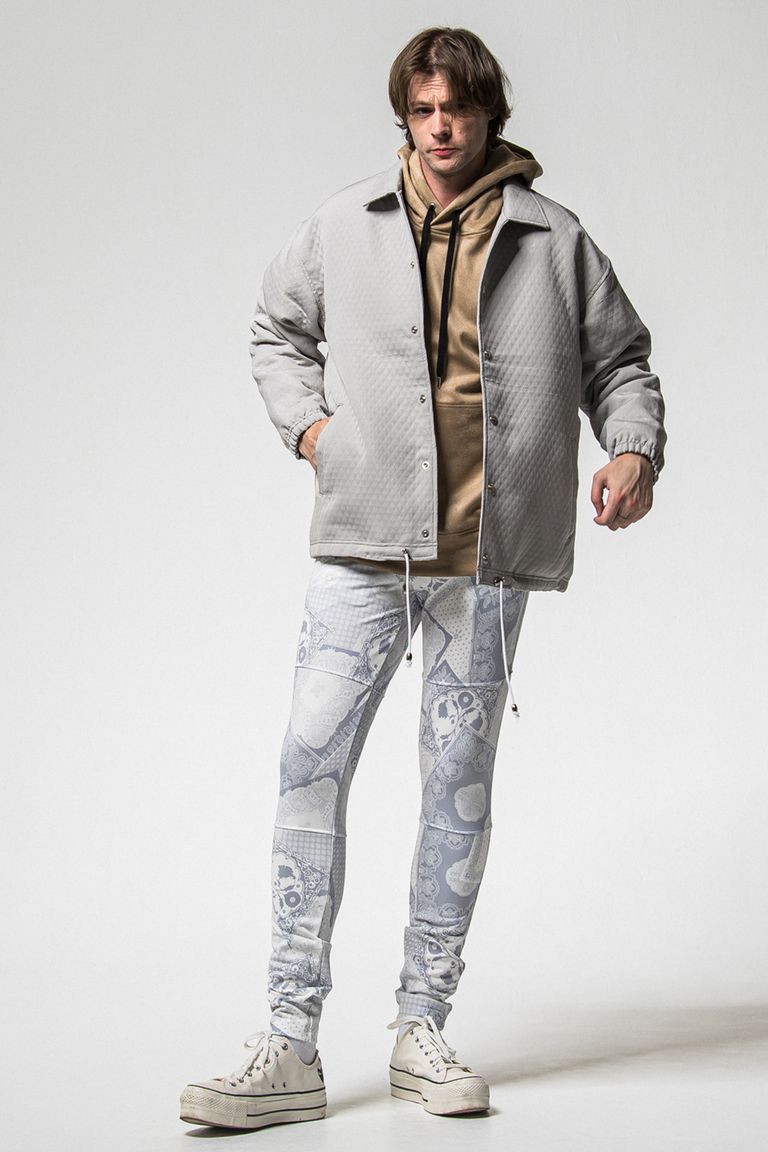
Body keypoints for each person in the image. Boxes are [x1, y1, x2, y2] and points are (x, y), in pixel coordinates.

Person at [180, 25, 666, 1130]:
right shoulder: (343, 225)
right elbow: (275, 331)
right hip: (366, 545)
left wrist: (633, 446)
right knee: (309, 770)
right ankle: (288, 1039)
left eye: (458, 108)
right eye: (423, 110)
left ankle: (421, 1029)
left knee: (458, 789)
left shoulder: (553, 237)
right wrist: (313, 432)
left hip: (485, 561)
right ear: (405, 116)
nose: (441, 128)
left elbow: (622, 361)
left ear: (490, 112)